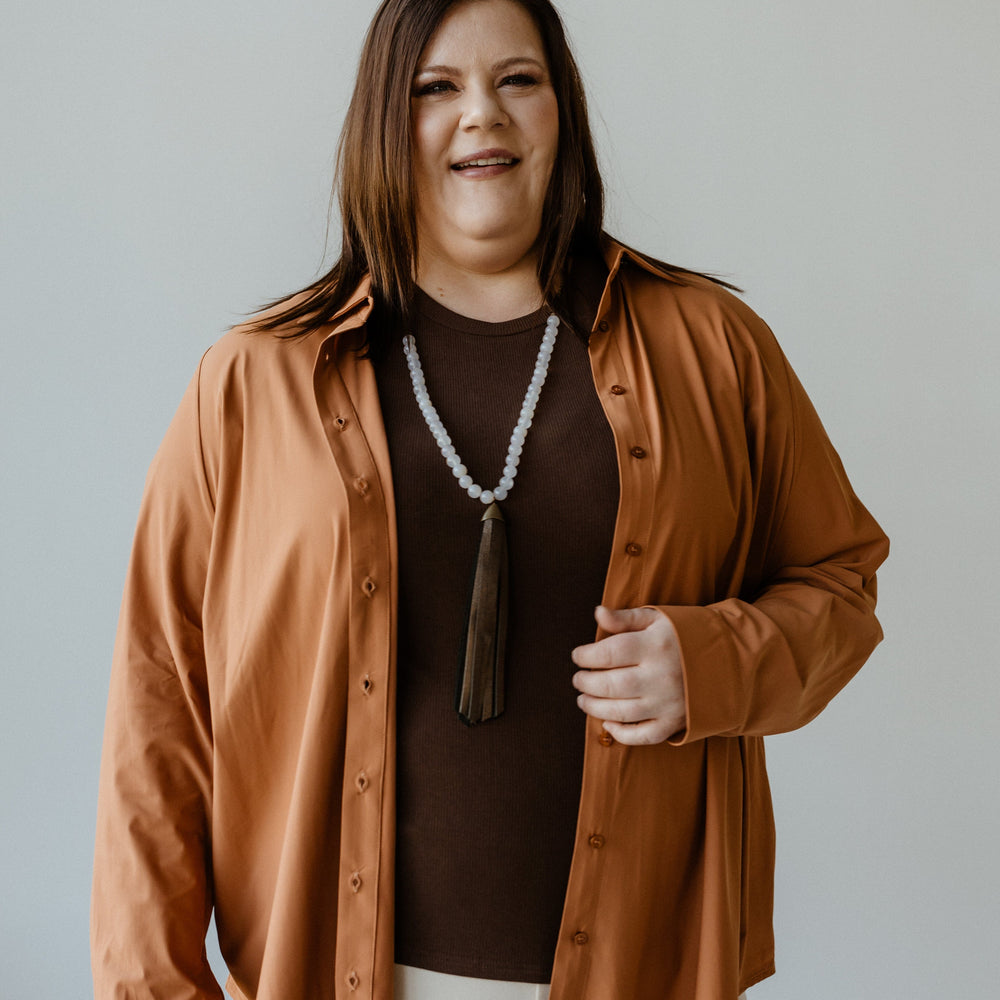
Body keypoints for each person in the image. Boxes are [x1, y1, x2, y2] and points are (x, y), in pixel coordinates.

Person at [91, 0, 888, 998]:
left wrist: (714, 665)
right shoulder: (251, 383)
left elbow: (840, 582)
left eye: (518, 80)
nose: (482, 116)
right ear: (385, 119)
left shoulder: (712, 350)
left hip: (644, 967)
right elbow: (157, 702)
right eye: (436, 88)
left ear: (563, 111)